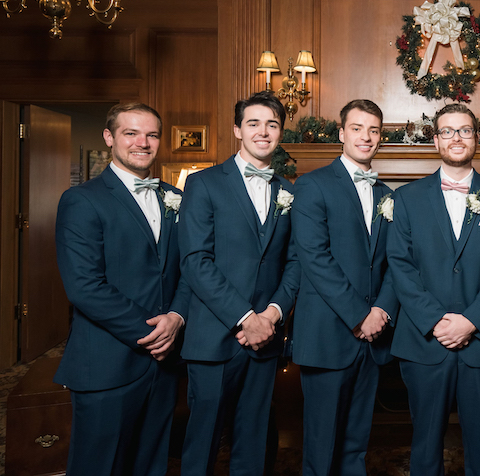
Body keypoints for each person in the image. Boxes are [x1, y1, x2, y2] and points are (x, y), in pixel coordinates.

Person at [55, 102, 189, 476]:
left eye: (151, 134)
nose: (142, 143)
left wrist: (177, 317)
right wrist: (154, 332)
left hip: (163, 367)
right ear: (110, 137)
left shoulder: (172, 196)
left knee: (152, 466)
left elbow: (187, 270)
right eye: (131, 133)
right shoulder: (82, 200)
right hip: (107, 364)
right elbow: (84, 287)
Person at [387, 103, 480, 476]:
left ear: (477, 137)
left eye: (465, 130)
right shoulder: (406, 198)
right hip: (424, 342)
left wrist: (472, 321)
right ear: (435, 140)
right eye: (447, 131)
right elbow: (400, 265)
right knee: (425, 445)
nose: (457, 138)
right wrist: (436, 320)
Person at [178, 91, 300, 476]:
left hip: (265, 339)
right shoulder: (203, 184)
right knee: (203, 446)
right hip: (215, 339)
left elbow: (294, 262)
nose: (263, 132)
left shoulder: (289, 192)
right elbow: (196, 262)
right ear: (237, 130)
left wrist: (273, 314)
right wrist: (247, 318)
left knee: (255, 444)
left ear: (280, 132)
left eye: (272, 124)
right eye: (254, 123)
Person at [291, 99, 399, 475]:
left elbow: (394, 263)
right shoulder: (311, 185)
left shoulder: (387, 194)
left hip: (371, 338)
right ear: (341, 133)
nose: (365, 137)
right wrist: (359, 315)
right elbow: (315, 258)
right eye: (357, 128)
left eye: (373, 130)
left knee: (357, 446)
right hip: (327, 336)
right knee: (320, 449)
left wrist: (381, 311)